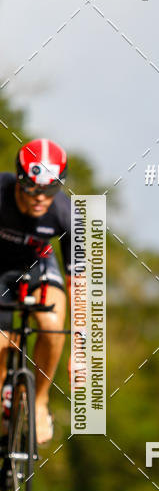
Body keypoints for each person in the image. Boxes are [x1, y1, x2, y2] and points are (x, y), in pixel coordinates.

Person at [0, 139, 71, 445]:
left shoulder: (66, 213)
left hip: (38, 264)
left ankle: (39, 402)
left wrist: (80, 349)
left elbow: (78, 282)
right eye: (33, 188)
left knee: (53, 326)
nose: (42, 198)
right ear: (19, 179)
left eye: (51, 189)